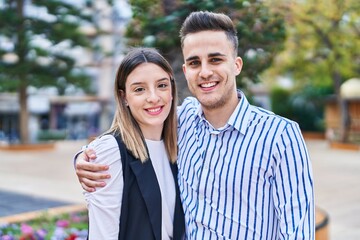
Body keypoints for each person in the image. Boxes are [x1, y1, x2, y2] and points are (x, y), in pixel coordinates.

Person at [75, 11, 315, 239]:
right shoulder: (183, 120)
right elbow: (137, 125)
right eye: (194, 63)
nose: (205, 72)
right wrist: (85, 158)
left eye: (215, 59)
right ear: (185, 71)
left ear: (237, 65)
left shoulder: (280, 135)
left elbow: (298, 231)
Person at [80, 47, 185, 240]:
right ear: (123, 97)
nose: (153, 97)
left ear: (172, 89)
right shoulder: (110, 152)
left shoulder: (180, 139)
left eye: (162, 85)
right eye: (139, 89)